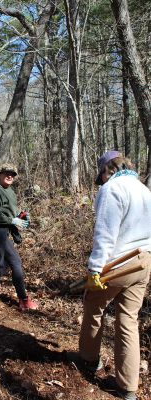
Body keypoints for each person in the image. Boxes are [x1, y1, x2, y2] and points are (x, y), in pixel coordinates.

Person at [67, 151, 151, 400]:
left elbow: (105, 232)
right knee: (128, 321)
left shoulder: (112, 189)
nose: (101, 181)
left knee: (94, 307)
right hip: (144, 260)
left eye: (101, 176)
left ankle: (89, 360)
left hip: (118, 262)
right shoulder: (144, 190)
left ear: (107, 171)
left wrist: (94, 269)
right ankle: (128, 388)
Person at [0, 163, 38, 311]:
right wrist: (12, 220)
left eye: (13, 174)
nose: (10, 176)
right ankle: (24, 300)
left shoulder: (10, 192)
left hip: (3, 230)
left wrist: (20, 217)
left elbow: (7, 214)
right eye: (6, 173)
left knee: (3, 265)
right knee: (16, 262)